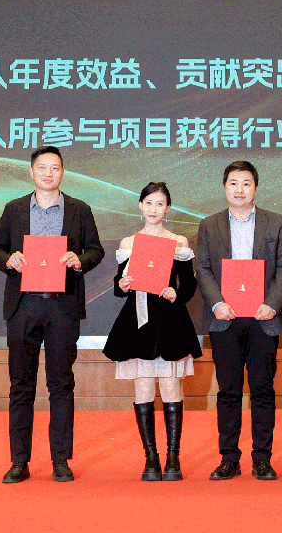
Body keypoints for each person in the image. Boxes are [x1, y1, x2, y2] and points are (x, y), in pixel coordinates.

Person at [0, 146, 104, 484]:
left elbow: (96, 250)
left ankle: (60, 460)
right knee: (21, 385)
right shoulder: (15, 208)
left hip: (62, 305)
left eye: (55, 167)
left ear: (63, 172)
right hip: (23, 304)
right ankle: (19, 461)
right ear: (31, 172)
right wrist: (8, 260)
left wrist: (80, 261)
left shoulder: (79, 209)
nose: (48, 173)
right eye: (42, 167)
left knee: (61, 383)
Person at [195, 161, 282, 481]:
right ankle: (229, 458)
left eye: (246, 183)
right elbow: (203, 269)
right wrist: (217, 303)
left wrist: (272, 304)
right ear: (225, 188)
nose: (239, 189)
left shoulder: (277, 222)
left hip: (264, 318)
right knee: (228, 390)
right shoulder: (209, 224)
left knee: (263, 389)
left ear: (256, 188)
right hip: (225, 318)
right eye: (233, 183)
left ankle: (262, 458)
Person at [103, 182, 201, 481]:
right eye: (149, 203)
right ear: (140, 206)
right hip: (137, 323)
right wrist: (121, 285)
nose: (154, 209)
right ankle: (151, 458)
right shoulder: (129, 243)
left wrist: (176, 293)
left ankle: (173, 458)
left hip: (170, 321)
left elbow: (190, 284)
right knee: (143, 388)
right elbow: (120, 285)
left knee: (171, 387)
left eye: (160, 204)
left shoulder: (179, 243)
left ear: (168, 208)